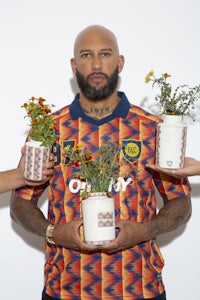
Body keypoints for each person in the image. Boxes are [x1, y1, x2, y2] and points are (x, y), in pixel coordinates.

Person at [10, 25, 191, 300]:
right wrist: (54, 233)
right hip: (65, 290)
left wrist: (145, 230)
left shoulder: (154, 129)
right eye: (86, 55)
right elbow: (20, 204)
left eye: (105, 54)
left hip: (140, 288)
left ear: (119, 62)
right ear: (74, 65)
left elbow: (181, 203)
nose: (96, 64)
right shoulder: (48, 131)